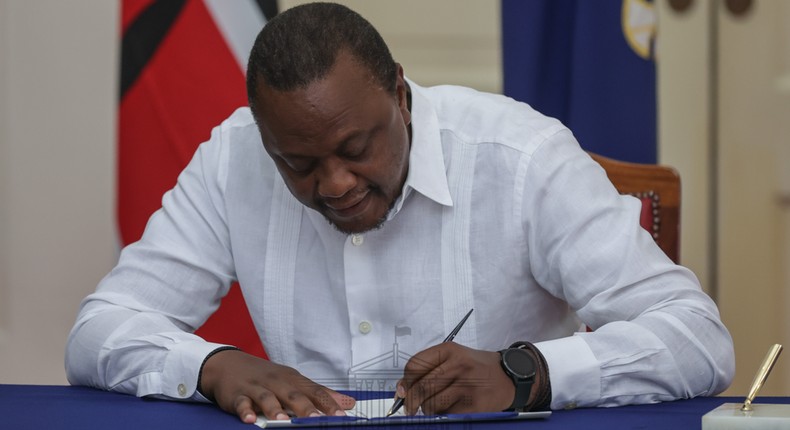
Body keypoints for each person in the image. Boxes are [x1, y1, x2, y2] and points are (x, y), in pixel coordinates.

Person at [65, 2, 735, 424]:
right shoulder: (234, 158)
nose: (334, 184)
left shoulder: (522, 157)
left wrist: (524, 374)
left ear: (401, 96)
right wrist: (211, 365)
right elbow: (100, 331)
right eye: (298, 164)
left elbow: (698, 340)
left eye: (356, 148)